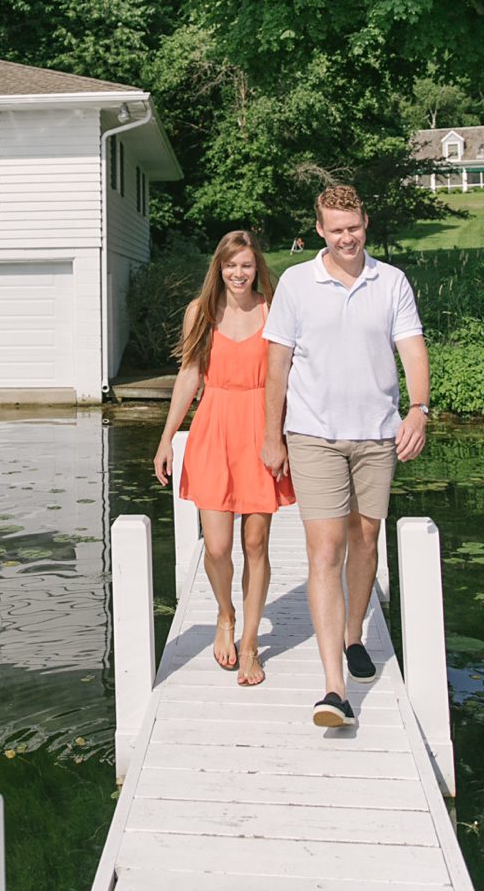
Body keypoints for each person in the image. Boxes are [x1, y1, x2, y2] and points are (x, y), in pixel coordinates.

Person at [261, 184, 429, 728]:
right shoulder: (295, 283)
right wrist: (272, 435)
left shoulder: (391, 281)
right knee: (325, 548)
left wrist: (419, 409)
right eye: (336, 229)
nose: (346, 237)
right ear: (320, 231)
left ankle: (355, 633)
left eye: (353, 226)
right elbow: (277, 365)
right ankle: (334, 687)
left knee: (365, 540)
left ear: (365, 222)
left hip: (378, 434)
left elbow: (412, 349)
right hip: (312, 434)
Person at [153, 230, 290, 686]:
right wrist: (167, 438)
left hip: (260, 429)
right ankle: (225, 614)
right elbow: (189, 376)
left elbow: (289, 378)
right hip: (213, 429)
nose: (238, 272)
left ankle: (250, 644)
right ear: (219, 267)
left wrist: (283, 437)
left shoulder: (274, 311)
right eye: (231, 265)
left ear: (257, 268)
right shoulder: (201, 312)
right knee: (216, 546)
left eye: (246, 265)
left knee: (255, 543)